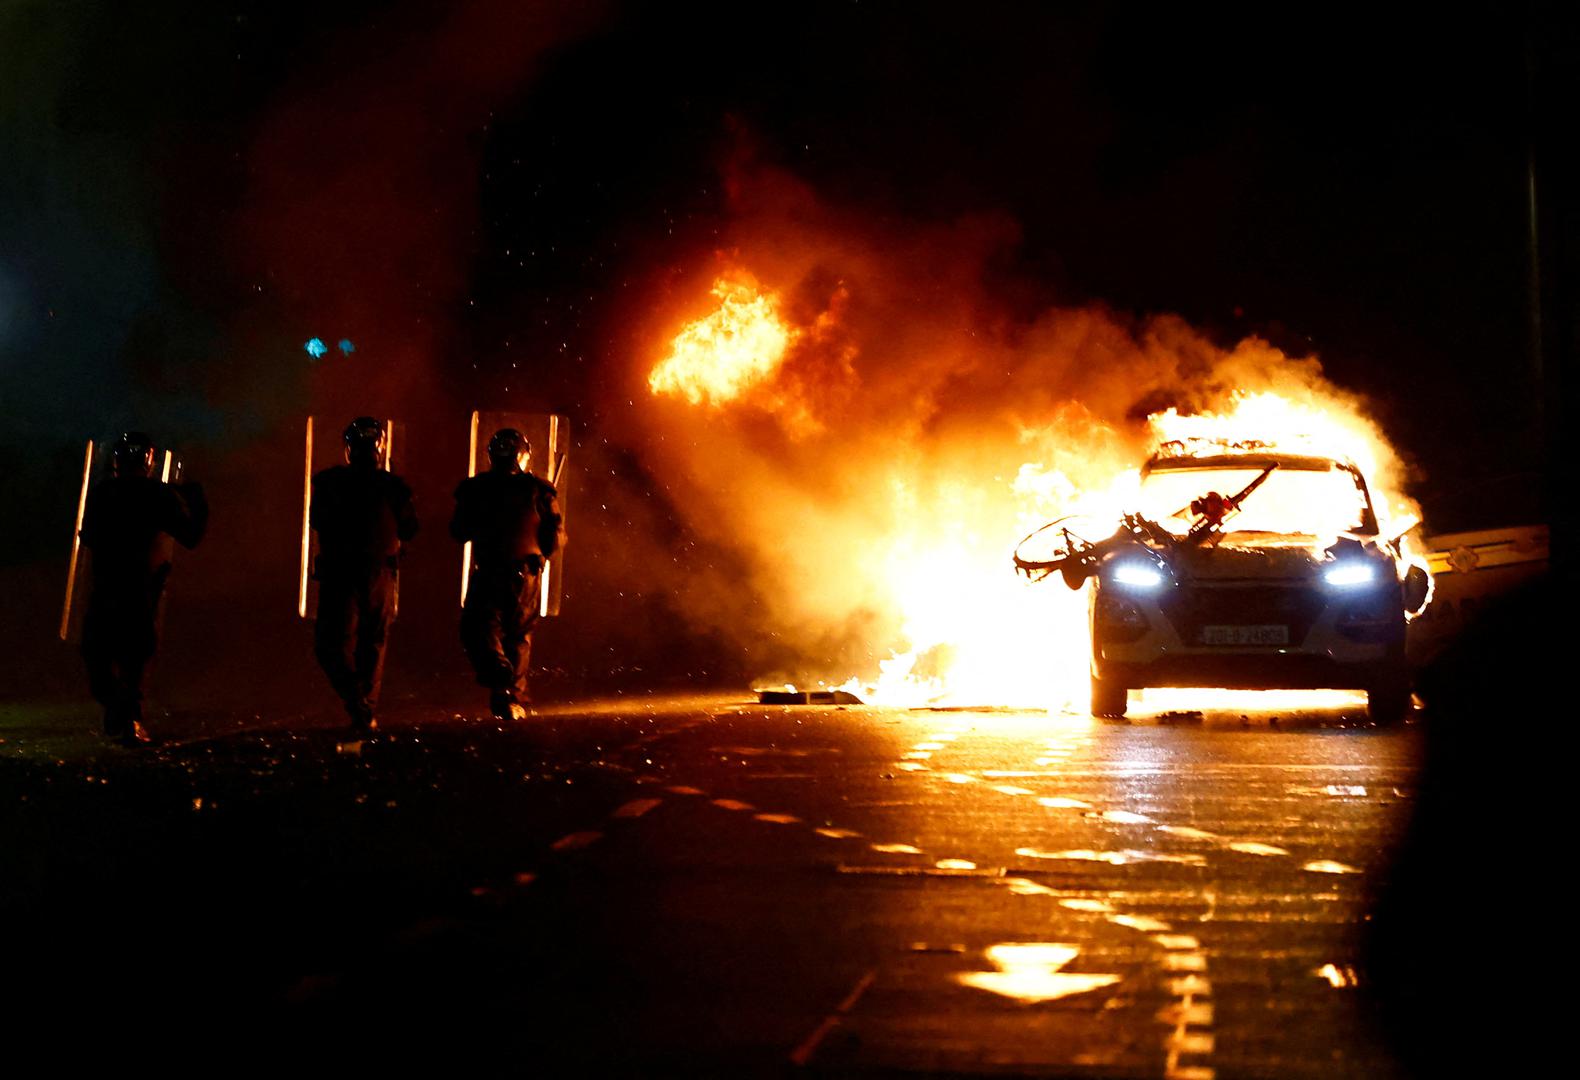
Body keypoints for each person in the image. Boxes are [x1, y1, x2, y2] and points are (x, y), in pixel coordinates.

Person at [79, 431, 208, 745]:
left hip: (121, 587)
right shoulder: (151, 495)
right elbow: (190, 535)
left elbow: (89, 537)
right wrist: (194, 501)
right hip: (133, 588)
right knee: (124, 658)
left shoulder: (108, 493)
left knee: (110, 655)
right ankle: (124, 714)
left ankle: (126, 717)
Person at [309, 417, 417, 731]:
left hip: (340, 573)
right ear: (379, 446)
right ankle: (364, 706)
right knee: (373, 641)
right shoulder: (393, 485)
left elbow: (317, 520)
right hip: (379, 574)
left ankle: (357, 702)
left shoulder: (328, 481)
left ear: (348, 448)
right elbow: (411, 528)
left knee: (331, 644)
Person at [450, 428, 565, 720]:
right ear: (522, 456)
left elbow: (458, 531)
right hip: (525, 576)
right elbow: (554, 540)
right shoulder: (540, 490)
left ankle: (500, 677)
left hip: (490, 572)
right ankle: (513, 697)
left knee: (479, 628)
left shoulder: (476, 489)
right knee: (519, 636)